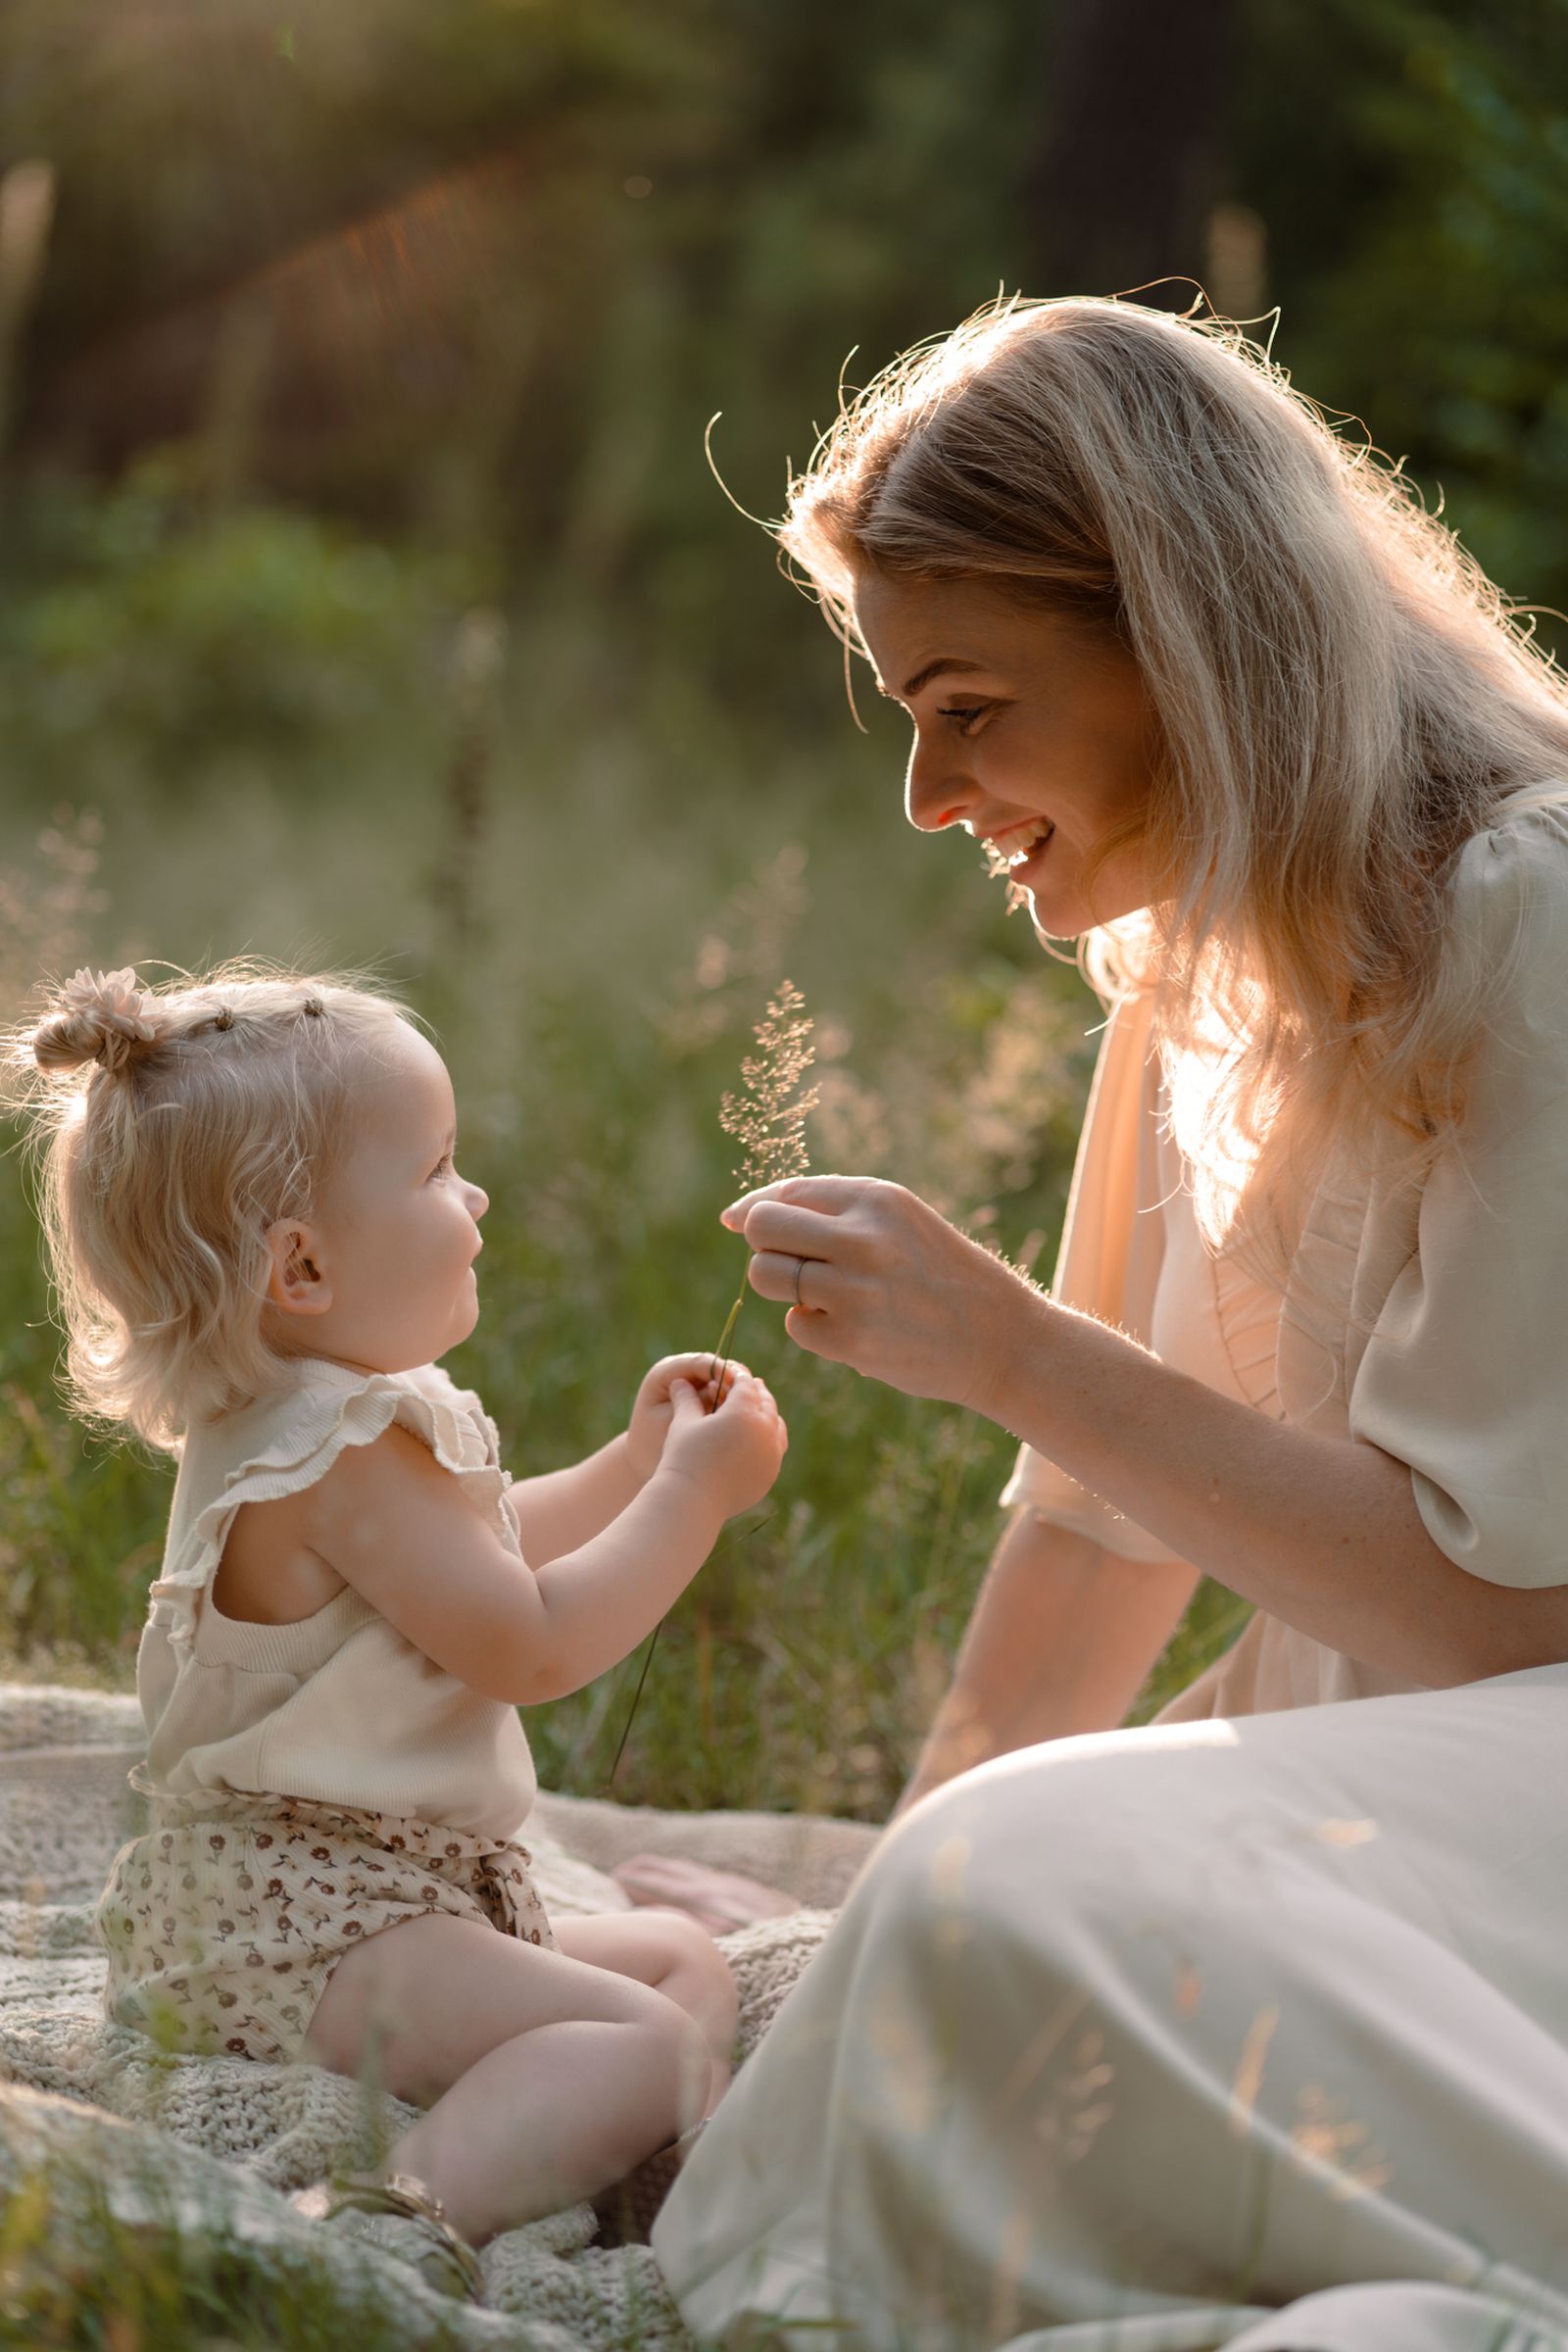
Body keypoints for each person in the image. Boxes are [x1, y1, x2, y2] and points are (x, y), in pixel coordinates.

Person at [650, 298, 1568, 2349]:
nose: (922, 788)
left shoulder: (1530, 912)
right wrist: (891, 1908)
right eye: (903, 709)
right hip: (1378, 1785)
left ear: (1180, 640)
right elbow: (1090, 1536)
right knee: (983, 1903)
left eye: (964, 702)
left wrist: (1004, 1345)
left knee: (1042, 1883)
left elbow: (1503, 1624)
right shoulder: (1193, 970)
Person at [9, 960, 788, 2300]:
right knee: (651, 2037)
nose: (473, 1200)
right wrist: (690, 1499)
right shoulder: (336, 1447)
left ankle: (610, 2146)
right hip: (304, 1923)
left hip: (376, 1895)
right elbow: (528, 1642)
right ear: (301, 1265)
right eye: (436, 1173)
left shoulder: (328, 1420)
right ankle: (385, 2224)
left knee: (673, 1965)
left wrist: (629, 1459)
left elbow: (477, 1560)